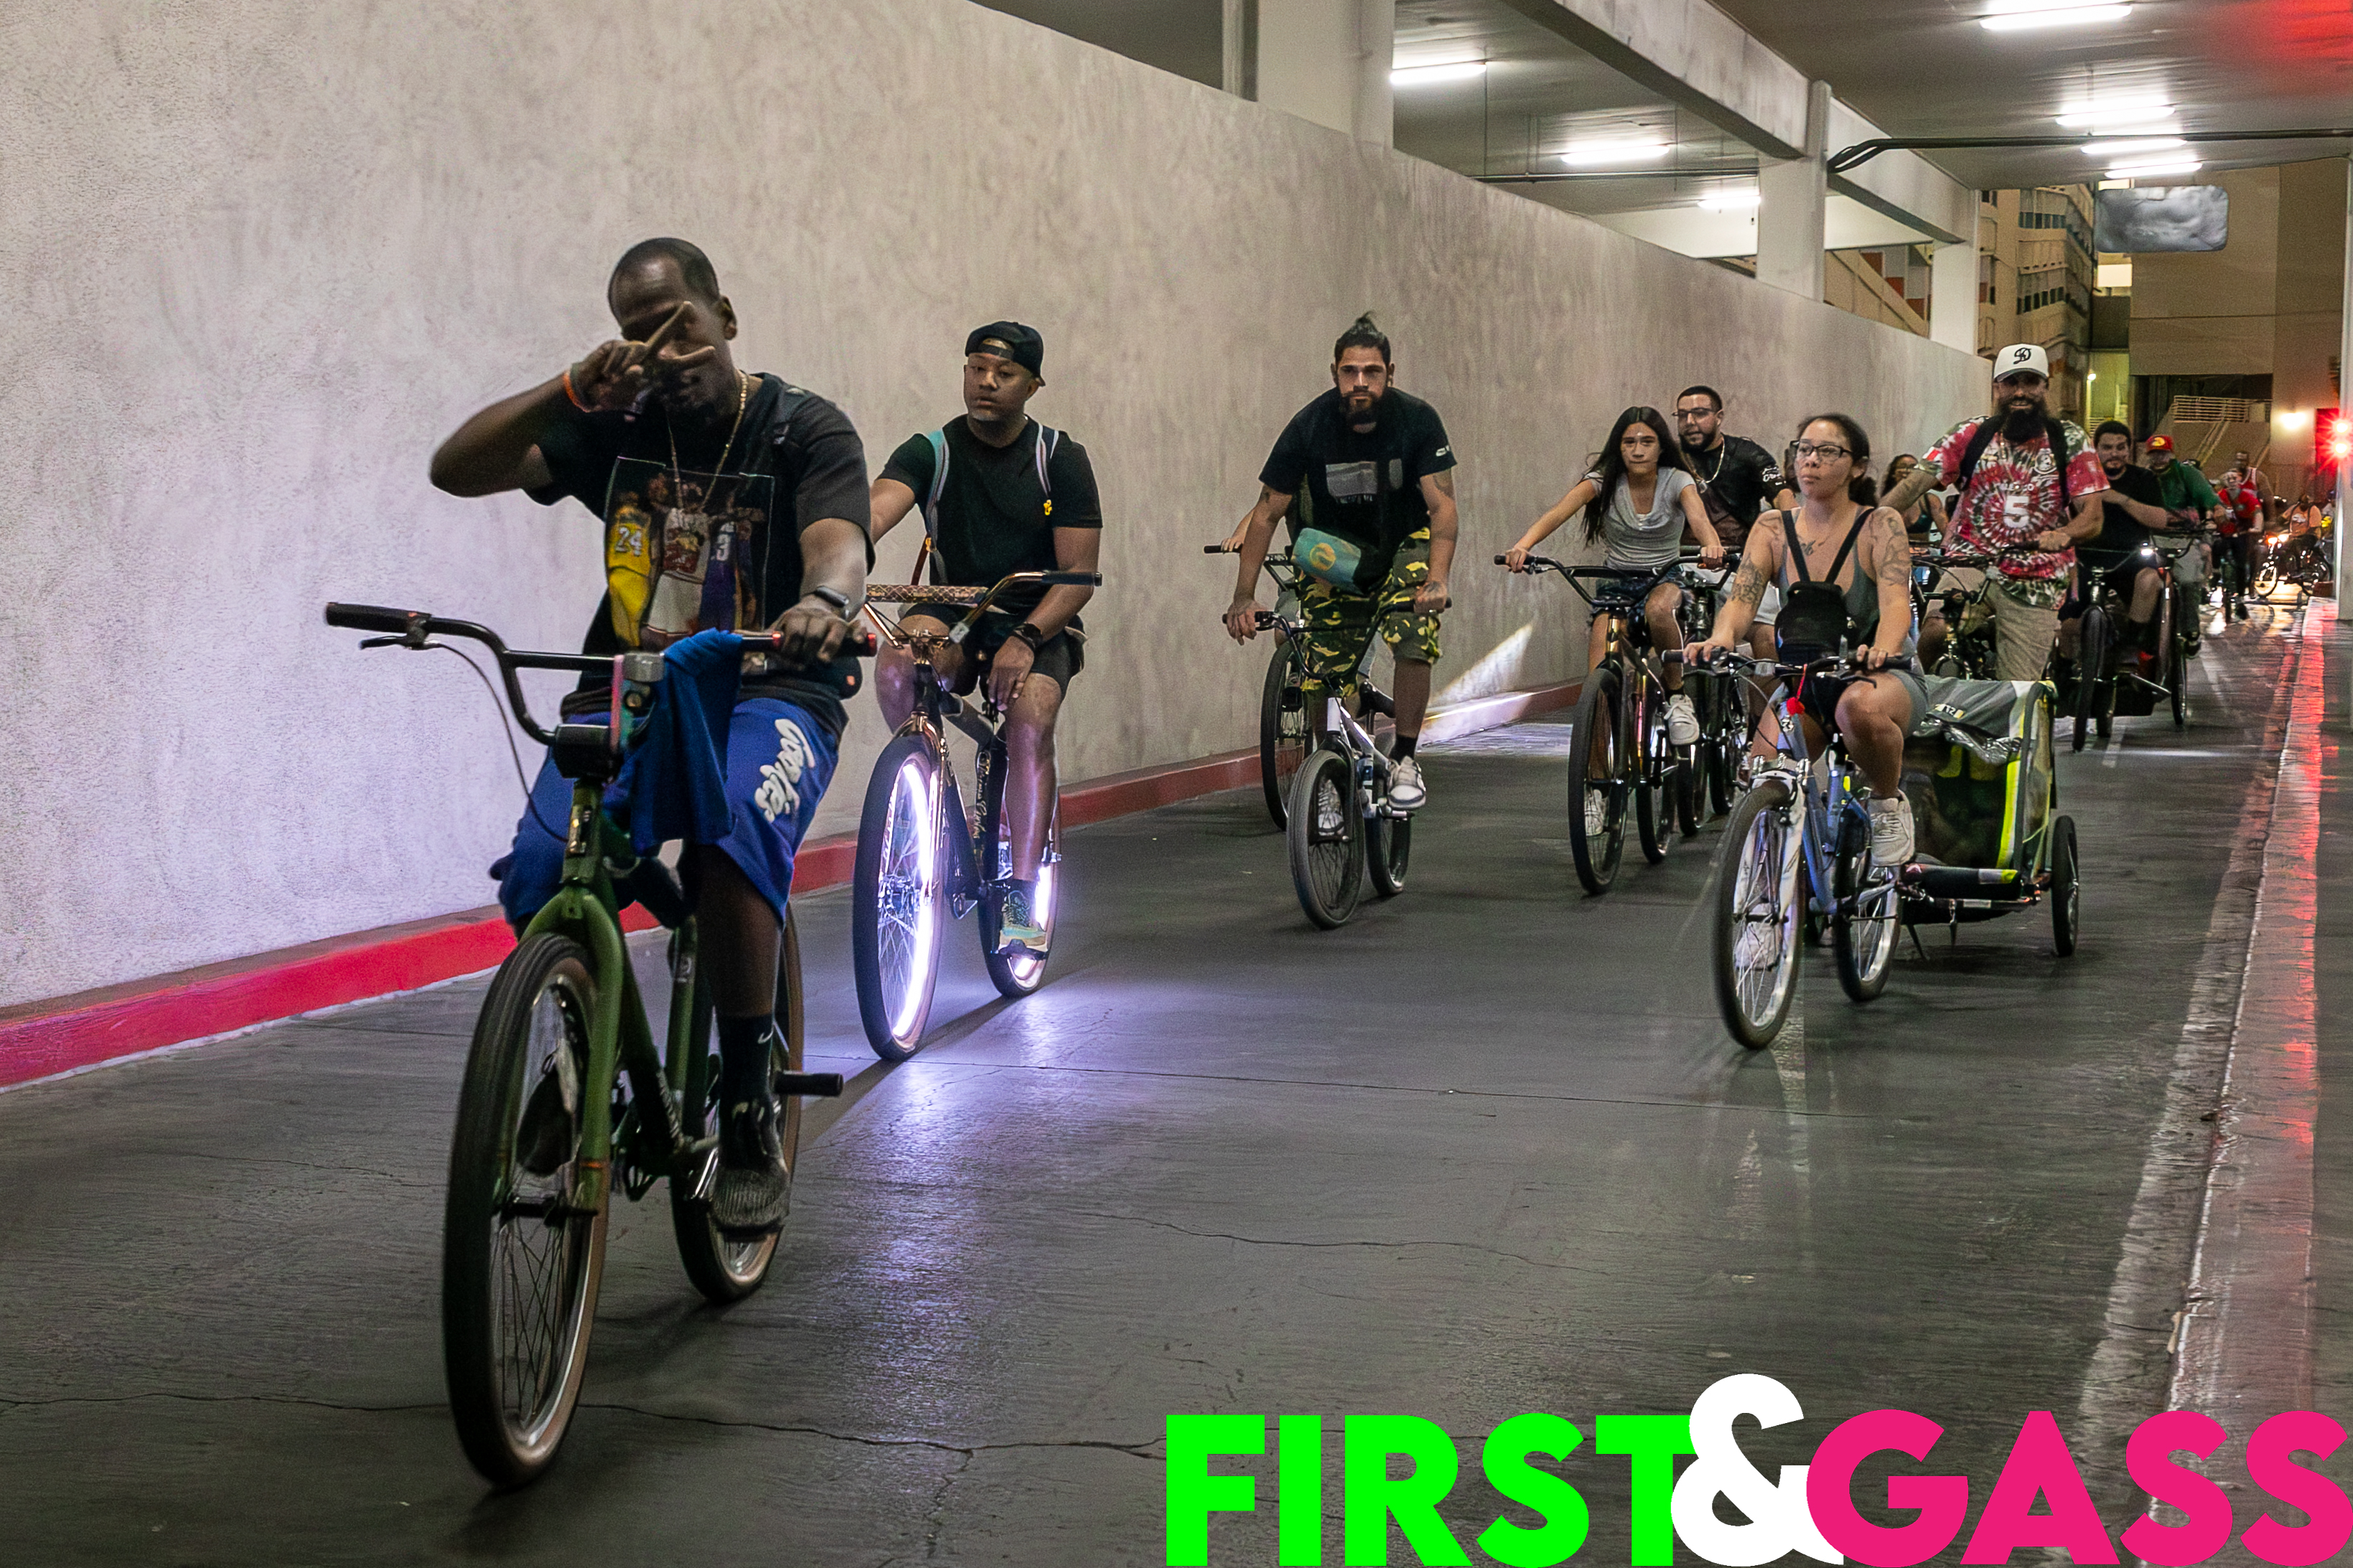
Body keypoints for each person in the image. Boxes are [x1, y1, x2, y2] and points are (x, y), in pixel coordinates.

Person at [429, 238, 870, 1235]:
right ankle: (583, 1062)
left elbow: (838, 541)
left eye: (682, 327)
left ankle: (748, 1110)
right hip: (629, 691)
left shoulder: (800, 427)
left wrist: (823, 600)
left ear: (726, 316)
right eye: (639, 335)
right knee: (542, 867)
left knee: (727, 844)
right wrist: (570, 390)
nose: (666, 353)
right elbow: (456, 469)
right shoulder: (616, 430)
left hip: (771, 690)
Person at [868, 323, 1102, 954]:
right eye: (976, 369)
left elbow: (1078, 577)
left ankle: (1022, 898)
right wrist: (837, 555)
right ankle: (925, 810)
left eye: (1003, 374)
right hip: (956, 608)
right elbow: (874, 512)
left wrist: (1025, 637)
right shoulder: (933, 451)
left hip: (1038, 612)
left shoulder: (1059, 458)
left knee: (1029, 719)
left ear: (1033, 385)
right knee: (896, 665)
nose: (987, 383)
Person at [1224, 314, 1459, 812]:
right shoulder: (1309, 426)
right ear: (1335, 374)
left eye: (1371, 371)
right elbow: (1267, 511)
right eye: (1350, 371)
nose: (1360, 382)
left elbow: (1442, 508)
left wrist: (1437, 580)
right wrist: (1243, 595)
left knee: (1413, 630)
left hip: (1403, 543)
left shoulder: (1417, 420)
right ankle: (1331, 770)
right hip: (1336, 553)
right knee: (1322, 669)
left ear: (1389, 373)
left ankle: (1407, 759)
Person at [1687, 415, 1925, 865]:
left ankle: (1887, 803)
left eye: (1828, 451)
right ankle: (1778, 886)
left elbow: (1897, 603)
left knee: (1856, 708)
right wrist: (1720, 638)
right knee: (1764, 775)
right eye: (1804, 449)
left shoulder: (1880, 524)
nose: (1811, 460)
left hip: (1881, 677)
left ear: (1857, 466)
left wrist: (1883, 648)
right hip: (1805, 680)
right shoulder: (1772, 528)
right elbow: (1741, 602)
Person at [1502, 406, 1724, 834]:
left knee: (1660, 611)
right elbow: (1558, 512)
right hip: (1617, 582)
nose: (1638, 450)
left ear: (1661, 447)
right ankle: (1596, 788)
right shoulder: (1604, 481)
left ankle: (1677, 696)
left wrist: (1711, 545)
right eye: (1629, 442)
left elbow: (1699, 520)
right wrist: (1523, 546)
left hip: (1664, 576)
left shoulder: (1677, 480)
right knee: (1599, 686)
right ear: (1618, 447)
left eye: (1647, 442)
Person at [1881, 343, 2108, 681]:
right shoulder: (1970, 434)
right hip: (1969, 565)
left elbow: (2093, 517)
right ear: (1997, 388)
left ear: (2045, 387)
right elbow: (1914, 484)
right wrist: (1870, 522)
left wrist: (2063, 535)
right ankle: (1916, 700)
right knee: (1934, 634)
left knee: (2016, 689)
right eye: (2011, 382)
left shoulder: (2070, 439)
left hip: (2037, 576)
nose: (2020, 392)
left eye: (2030, 382)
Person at [1671, 386, 1795, 659]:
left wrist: (1801, 533)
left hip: (1737, 565)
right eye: (1682, 415)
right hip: (1679, 564)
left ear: (1719, 417)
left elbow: (1782, 495)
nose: (1690, 422)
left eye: (1699, 413)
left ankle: (1767, 689)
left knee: (1769, 638)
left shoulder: (1747, 454)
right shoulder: (1669, 457)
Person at [2059, 422, 2175, 659]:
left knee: (2150, 580)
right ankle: (2065, 666)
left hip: (2131, 558)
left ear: (2129, 449)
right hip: (2086, 557)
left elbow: (2160, 520)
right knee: (2067, 620)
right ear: (2096, 449)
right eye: (2107, 448)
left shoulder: (2144, 478)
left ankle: (2131, 643)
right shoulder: (2080, 478)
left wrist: (2121, 499)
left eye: (2120, 447)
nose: (2114, 453)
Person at [2215, 466, 2260, 616]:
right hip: (2224, 534)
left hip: (2241, 533)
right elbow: (2212, 509)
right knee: (2215, 548)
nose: (2231, 481)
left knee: (2241, 562)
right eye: (2228, 479)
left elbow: (2257, 512)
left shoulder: (2247, 497)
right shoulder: (2220, 496)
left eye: (2234, 478)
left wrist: (2257, 527)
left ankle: (2240, 596)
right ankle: (2215, 575)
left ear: (2239, 480)